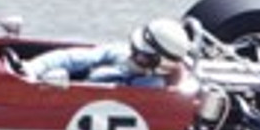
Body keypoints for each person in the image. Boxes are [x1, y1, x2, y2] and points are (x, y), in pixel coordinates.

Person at [21, 18, 192, 87]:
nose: (132, 55)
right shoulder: (120, 53)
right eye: (134, 48)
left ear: (159, 64)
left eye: (141, 55)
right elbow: (72, 58)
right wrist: (34, 68)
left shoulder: (151, 86)